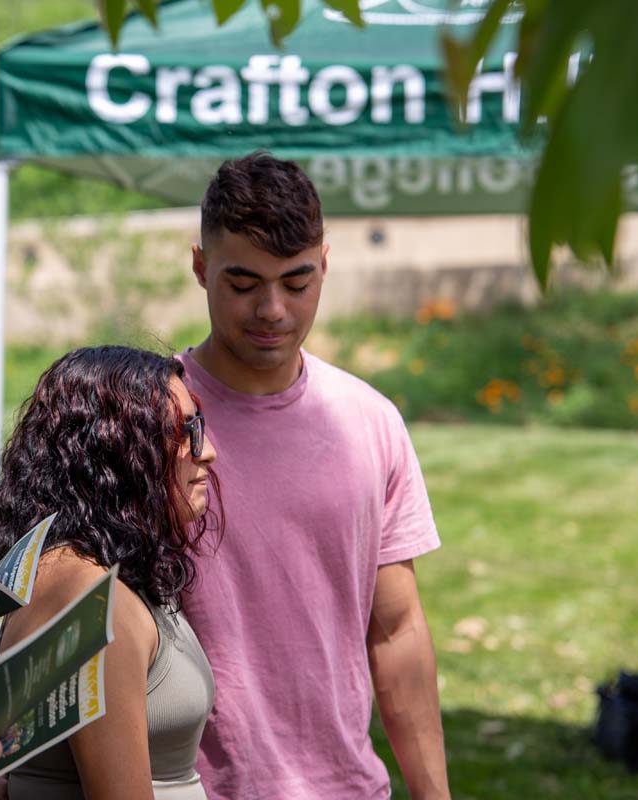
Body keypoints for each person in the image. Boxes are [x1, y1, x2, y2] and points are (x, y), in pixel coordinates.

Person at [178, 152, 449, 799]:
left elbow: (397, 630)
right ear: (199, 268)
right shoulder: (149, 416)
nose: (272, 308)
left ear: (324, 264)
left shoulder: (371, 423)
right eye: (243, 283)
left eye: (296, 283)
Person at [0, 345, 221, 800]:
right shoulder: (89, 596)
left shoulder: (93, 573)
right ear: (114, 451)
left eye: (198, 429)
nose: (208, 453)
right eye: (181, 433)